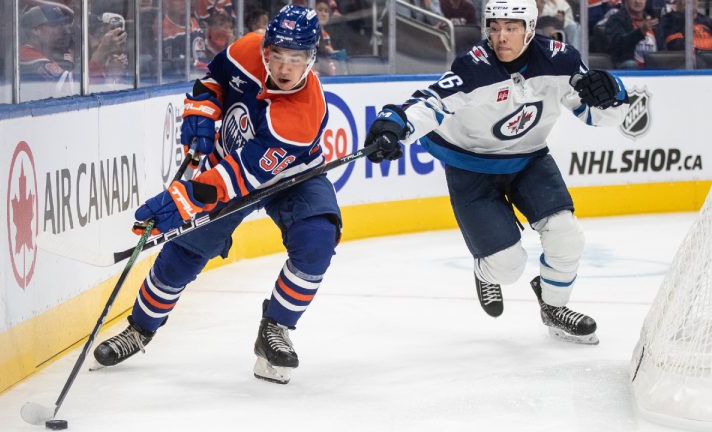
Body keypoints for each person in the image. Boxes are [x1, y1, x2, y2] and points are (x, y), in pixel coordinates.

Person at [94, 5, 339, 385]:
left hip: (294, 175)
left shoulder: (301, 114)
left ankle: (275, 328)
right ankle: (139, 329)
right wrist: (200, 114)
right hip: (229, 162)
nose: (286, 69)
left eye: (297, 59)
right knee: (183, 254)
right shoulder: (245, 49)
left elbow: (242, 177)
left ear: (311, 58)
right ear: (266, 48)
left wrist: (182, 199)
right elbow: (211, 81)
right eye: (278, 56)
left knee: (317, 241)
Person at [364, 0, 630, 344]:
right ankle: (484, 269)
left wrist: (614, 94)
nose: (501, 36)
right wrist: (396, 122)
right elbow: (431, 103)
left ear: (530, 29)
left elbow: (597, 116)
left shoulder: (562, 60)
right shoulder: (474, 66)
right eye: (495, 27)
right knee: (507, 266)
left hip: (529, 159)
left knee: (566, 234)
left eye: (511, 28)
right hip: (470, 165)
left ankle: (554, 307)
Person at [19, 2, 76, 98]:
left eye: (64, 25)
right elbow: (70, 88)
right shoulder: (25, 56)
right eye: (56, 25)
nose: (65, 30)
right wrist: (98, 57)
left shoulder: (56, 53)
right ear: (36, 30)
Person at [604, 0, 664, 68]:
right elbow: (617, 47)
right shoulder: (615, 20)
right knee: (630, 64)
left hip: (653, 70)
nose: (638, 1)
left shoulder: (653, 21)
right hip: (627, 69)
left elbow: (662, 51)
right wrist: (640, 32)